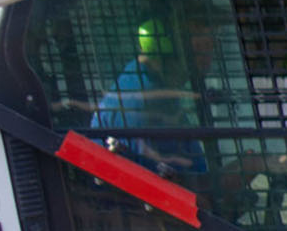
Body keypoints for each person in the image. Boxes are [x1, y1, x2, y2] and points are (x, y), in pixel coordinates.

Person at [91, 15, 212, 177]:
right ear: (160, 45)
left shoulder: (150, 85)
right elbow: (177, 192)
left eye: (211, 46)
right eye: (199, 47)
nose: (208, 59)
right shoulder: (146, 104)